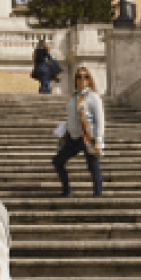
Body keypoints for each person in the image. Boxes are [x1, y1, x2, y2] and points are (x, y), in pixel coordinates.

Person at [53, 66, 104, 197]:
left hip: (88, 135)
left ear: (89, 79)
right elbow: (71, 117)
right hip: (74, 137)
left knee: (93, 165)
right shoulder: (73, 98)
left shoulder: (94, 97)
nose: (82, 79)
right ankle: (67, 190)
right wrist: (64, 132)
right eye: (79, 77)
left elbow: (100, 120)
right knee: (58, 161)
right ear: (75, 80)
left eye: (85, 76)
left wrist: (98, 141)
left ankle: (98, 194)